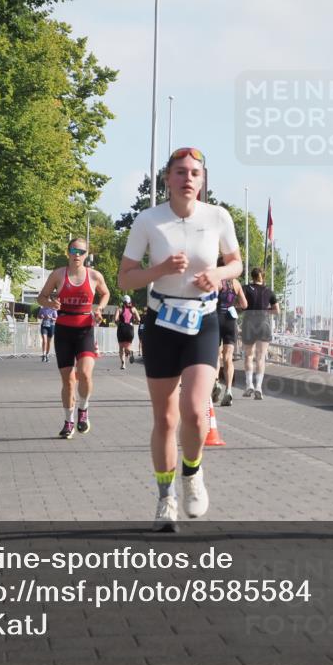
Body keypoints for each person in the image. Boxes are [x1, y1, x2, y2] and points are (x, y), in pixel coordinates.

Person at [118, 147, 242, 531]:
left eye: (194, 173)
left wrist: (219, 276)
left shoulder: (218, 217)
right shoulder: (148, 220)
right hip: (161, 321)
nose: (187, 178)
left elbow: (236, 262)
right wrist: (160, 268)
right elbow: (125, 278)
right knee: (166, 418)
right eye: (180, 172)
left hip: (202, 320)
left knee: (193, 408)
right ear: (167, 179)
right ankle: (165, 498)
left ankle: (192, 473)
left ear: (203, 181)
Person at [36, 237, 110, 439]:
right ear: (68, 252)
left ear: (86, 255)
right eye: (74, 251)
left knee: (85, 374)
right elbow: (41, 297)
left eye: (81, 252)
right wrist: (50, 304)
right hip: (63, 331)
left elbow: (106, 293)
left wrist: (99, 308)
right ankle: (68, 422)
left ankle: (83, 410)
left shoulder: (94, 276)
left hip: (85, 330)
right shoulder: (58, 275)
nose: (77, 255)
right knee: (68, 381)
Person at [213, 256, 248, 406]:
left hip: (216, 319)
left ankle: (215, 383)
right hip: (230, 320)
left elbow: (210, 301)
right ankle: (228, 390)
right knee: (228, 358)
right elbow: (245, 304)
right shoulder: (236, 284)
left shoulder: (217, 282)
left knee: (215, 355)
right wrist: (234, 307)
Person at [241, 267, 280, 400]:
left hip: (249, 324)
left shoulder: (245, 288)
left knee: (248, 356)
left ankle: (249, 385)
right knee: (261, 357)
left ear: (252, 277)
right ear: (263, 277)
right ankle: (258, 386)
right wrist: (266, 310)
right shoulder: (268, 291)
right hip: (264, 324)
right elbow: (276, 310)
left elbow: (241, 305)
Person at [114, 296, 140, 370]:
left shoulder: (119, 309)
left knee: (121, 348)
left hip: (121, 328)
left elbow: (115, 320)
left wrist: (118, 323)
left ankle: (123, 364)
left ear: (122, 301)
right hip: (130, 329)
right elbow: (139, 319)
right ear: (129, 301)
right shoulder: (133, 309)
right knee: (127, 347)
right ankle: (130, 351)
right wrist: (133, 320)